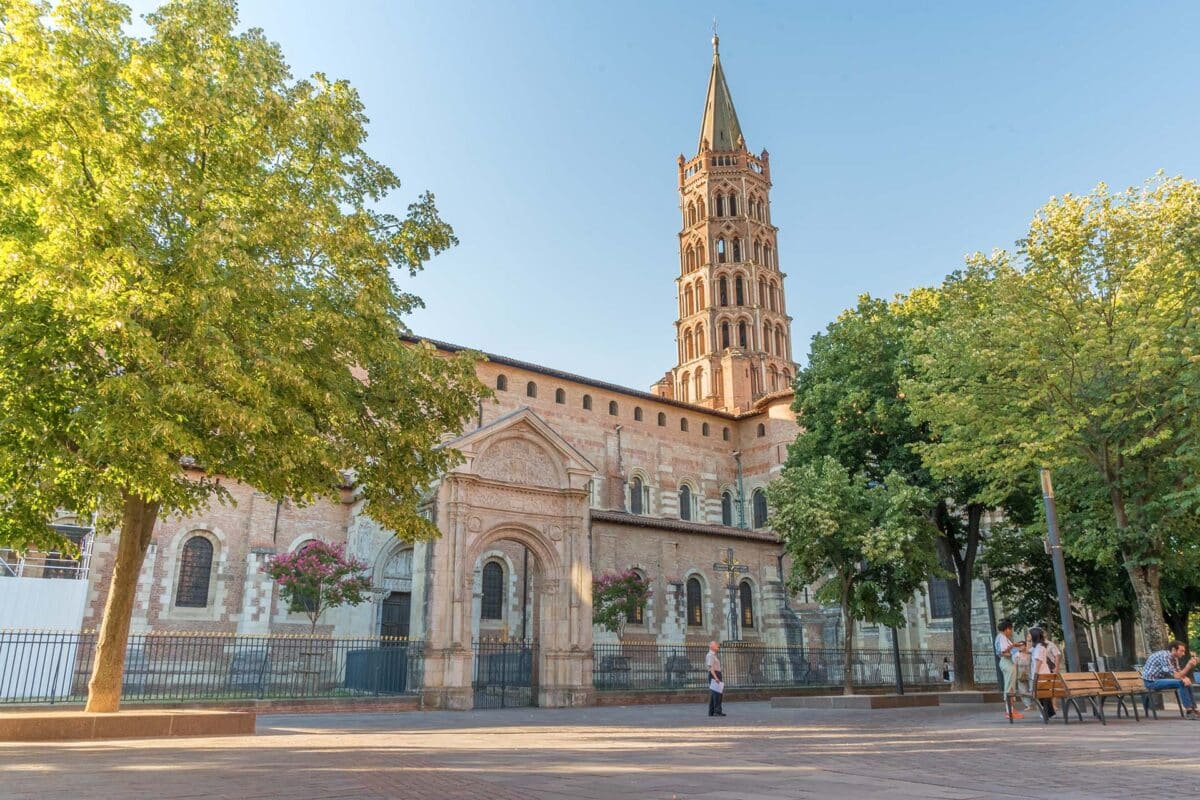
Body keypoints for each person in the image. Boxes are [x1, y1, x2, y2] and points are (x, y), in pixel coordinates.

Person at [1141, 640, 1200, 719]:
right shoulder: (1165, 656)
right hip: (1151, 682)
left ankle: (1193, 709)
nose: (1183, 653)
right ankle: (1189, 712)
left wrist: (1186, 678)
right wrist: (1188, 666)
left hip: (1159, 680)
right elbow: (1177, 676)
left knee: (1187, 682)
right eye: (1181, 651)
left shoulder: (1174, 658)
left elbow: (1179, 673)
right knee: (1181, 682)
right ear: (1174, 649)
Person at [995, 619, 1027, 719]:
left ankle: (1011, 710)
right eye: (1011, 629)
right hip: (1007, 662)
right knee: (1009, 686)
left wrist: (1014, 646)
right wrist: (1014, 646)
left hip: (1008, 662)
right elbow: (1003, 651)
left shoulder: (1002, 637)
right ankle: (1009, 711)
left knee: (1011, 686)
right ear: (1007, 629)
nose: (1012, 631)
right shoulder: (1002, 638)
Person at [1027, 627, 1055, 720]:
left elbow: (1038, 662)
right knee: (1043, 695)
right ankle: (1049, 712)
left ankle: (1047, 712)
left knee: (1041, 695)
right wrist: (1028, 641)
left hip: (1041, 674)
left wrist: (1035, 674)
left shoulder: (1039, 648)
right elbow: (1027, 651)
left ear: (1034, 635)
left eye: (1029, 634)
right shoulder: (1038, 647)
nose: (1028, 636)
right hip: (1043, 674)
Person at [705, 640, 725, 717]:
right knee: (717, 694)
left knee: (715, 694)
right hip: (714, 674)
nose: (717, 646)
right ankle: (717, 711)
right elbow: (711, 668)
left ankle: (712, 711)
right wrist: (716, 677)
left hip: (716, 674)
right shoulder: (710, 655)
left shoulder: (713, 655)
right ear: (711, 646)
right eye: (715, 644)